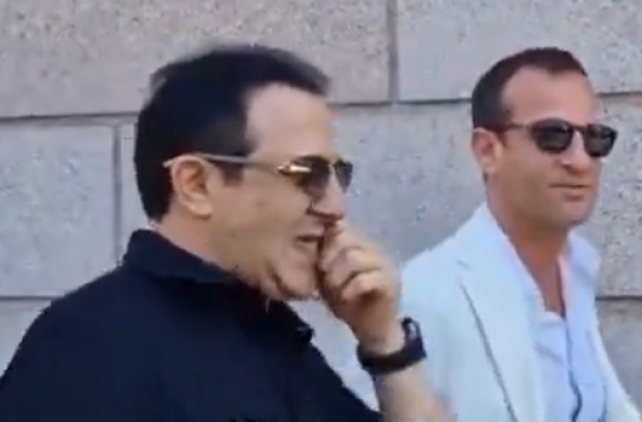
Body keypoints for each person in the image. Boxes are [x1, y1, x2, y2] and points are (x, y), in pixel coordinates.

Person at [0, 44, 445, 422]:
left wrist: (386, 344)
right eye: (306, 174)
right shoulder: (88, 349)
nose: (334, 206)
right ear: (196, 185)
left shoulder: (267, 336)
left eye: (337, 175)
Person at [336, 47, 642, 421]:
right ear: (487, 151)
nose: (581, 161)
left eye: (595, 138)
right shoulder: (420, 297)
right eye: (553, 135)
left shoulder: (577, 272)